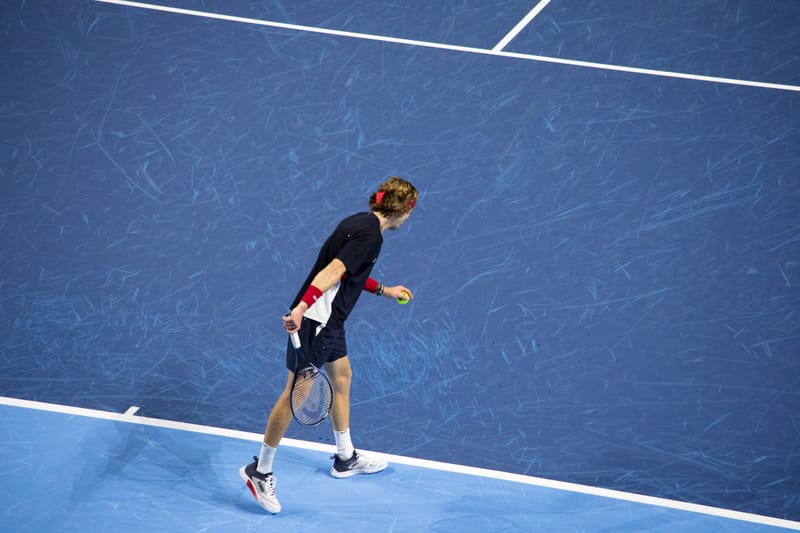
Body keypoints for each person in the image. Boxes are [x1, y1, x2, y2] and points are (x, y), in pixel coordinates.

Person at [240, 176, 418, 513]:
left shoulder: (360, 223)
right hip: (317, 321)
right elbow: (335, 269)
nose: (410, 218)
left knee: (341, 377)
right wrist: (303, 306)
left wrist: (386, 290)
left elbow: (351, 273)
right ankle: (259, 470)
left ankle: (344, 456)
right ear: (402, 210)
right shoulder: (370, 236)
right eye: (411, 212)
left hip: (330, 321)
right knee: (296, 393)